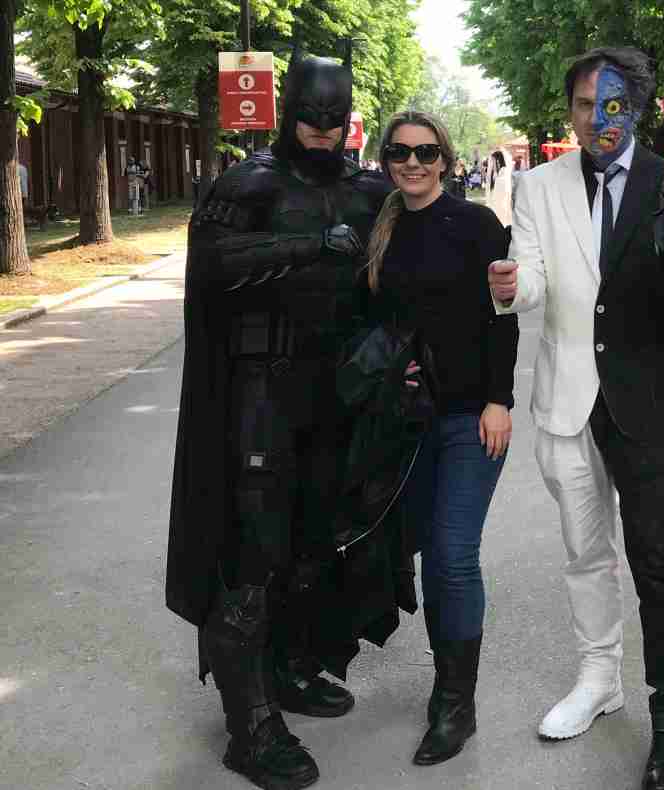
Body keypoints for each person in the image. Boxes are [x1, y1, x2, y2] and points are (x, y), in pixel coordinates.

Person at [167, 45, 415, 790]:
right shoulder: (247, 184)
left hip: (337, 396)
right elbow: (212, 264)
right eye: (309, 117)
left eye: (333, 119)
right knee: (255, 550)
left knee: (316, 542)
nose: (321, 130)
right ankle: (249, 726)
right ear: (287, 112)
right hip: (260, 394)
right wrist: (309, 245)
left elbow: (414, 268)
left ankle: (287, 665)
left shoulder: (369, 191)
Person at [487, 46, 664, 790]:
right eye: (586, 104)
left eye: (614, 103)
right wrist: (511, 286)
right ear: (570, 111)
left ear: (638, 108)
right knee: (584, 553)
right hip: (567, 400)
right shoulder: (537, 186)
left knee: (659, 562)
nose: (599, 117)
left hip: (644, 402)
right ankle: (599, 680)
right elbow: (533, 280)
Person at [360, 110, 519, 767]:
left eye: (426, 152)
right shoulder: (379, 228)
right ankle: (445, 681)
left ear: (446, 160)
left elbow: (503, 316)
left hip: (469, 419)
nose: (413, 163)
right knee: (424, 552)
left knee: (452, 555)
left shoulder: (477, 224)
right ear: (386, 160)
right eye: (400, 152)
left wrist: (499, 400)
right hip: (404, 422)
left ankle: (456, 702)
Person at [484, 149, 513, 227]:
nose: (491, 163)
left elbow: (504, 187)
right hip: (497, 197)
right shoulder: (497, 172)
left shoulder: (504, 171)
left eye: (493, 160)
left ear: (497, 160)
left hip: (501, 197)